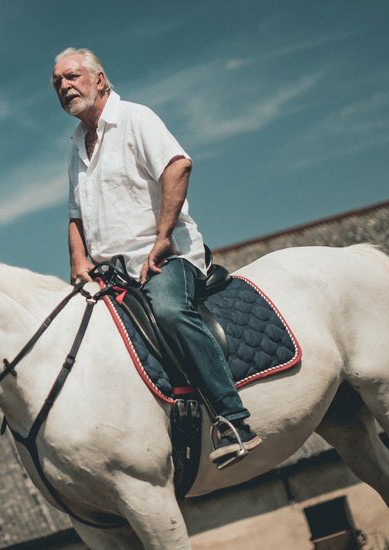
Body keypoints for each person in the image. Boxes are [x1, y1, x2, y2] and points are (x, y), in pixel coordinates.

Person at [52, 47, 261, 468]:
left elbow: (178, 165)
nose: (64, 86)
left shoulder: (135, 119)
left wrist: (163, 237)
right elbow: (75, 215)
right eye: (57, 82)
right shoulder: (76, 148)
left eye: (72, 76)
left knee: (168, 310)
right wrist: (78, 262)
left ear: (100, 79)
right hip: (113, 275)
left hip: (165, 258)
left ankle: (232, 418)